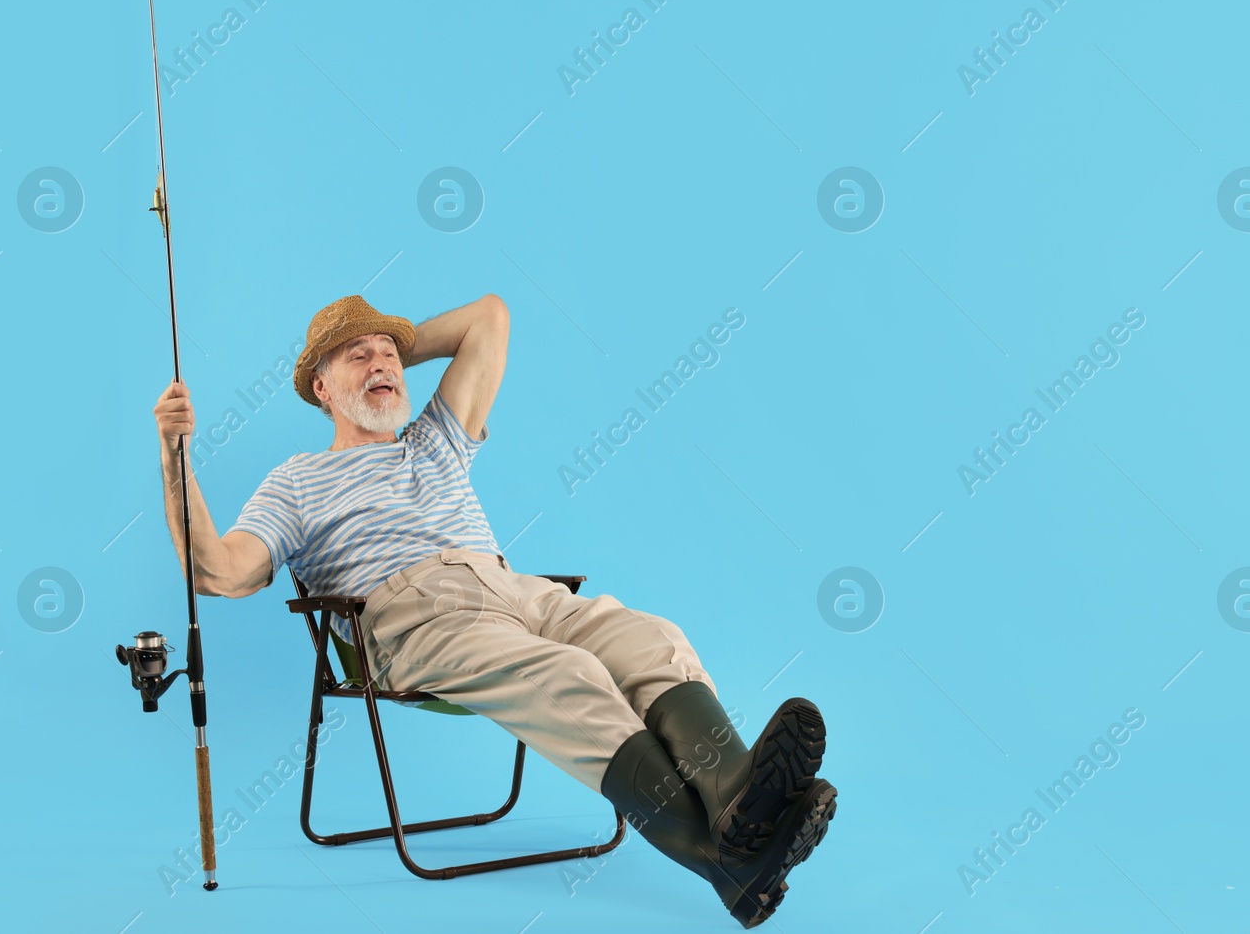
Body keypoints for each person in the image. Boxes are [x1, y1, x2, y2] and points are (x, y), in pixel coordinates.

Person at [152, 292, 836, 927]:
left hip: (515, 590)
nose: (381, 360)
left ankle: (736, 801)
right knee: (570, 673)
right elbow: (220, 571)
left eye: (389, 353)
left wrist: (384, 352)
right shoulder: (296, 480)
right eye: (356, 356)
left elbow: (490, 317)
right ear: (320, 390)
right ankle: (723, 857)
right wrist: (174, 456)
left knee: (651, 639)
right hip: (411, 618)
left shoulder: (435, 439)